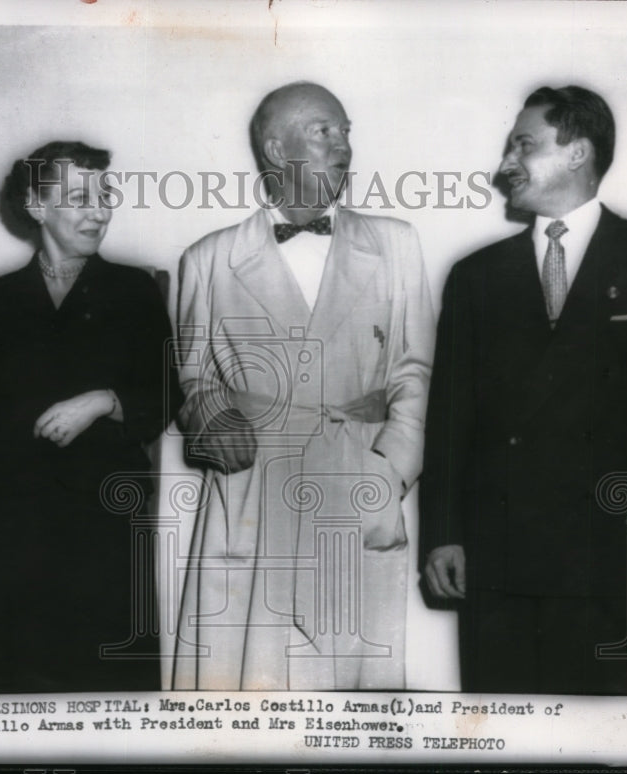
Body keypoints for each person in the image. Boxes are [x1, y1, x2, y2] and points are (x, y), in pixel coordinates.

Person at [420, 85, 627, 694]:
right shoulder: (476, 276)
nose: (505, 163)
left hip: (620, 563)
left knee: (610, 737)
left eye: (524, 143)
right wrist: (442, 535)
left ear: (577, 152)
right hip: (499, 562)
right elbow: (450, 417)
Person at [173, 82, 434, 690]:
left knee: (351, 691)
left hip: (355, 482)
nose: (343, 144)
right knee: (245, 690)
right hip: (252, 495)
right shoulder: (208, 259)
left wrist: (390, 471)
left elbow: (414, 370)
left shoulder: (396, 244)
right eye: (324, 131)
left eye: (346, 131)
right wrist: (211, 413)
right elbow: (192, 375)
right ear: (274, 148)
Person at [0, 140, 178, 693]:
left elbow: (168, 394)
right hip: (10, 541)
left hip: (102, 536)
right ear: (36, 206)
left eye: (105, 194)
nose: (99, 210)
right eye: (79, 196)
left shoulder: (134, 291)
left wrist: (105, 399)